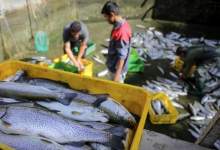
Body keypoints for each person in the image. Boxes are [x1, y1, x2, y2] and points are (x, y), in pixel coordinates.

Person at [101, 1, 132, 83]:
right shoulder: (121, 23)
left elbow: (122, 57)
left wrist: (116, 77)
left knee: (116, 94)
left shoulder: (121, 32)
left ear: (112, 14)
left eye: (106, 17)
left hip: (117, 71)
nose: (106, 19)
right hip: (113, 66)